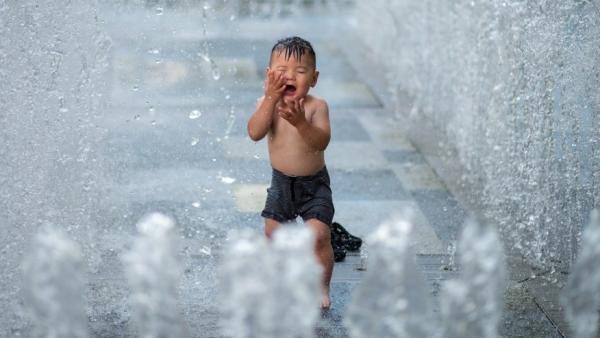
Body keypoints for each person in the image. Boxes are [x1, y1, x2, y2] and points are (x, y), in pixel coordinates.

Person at [247, 36, 334, 309]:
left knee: (319, 237)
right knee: (273, 235)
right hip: (281, 183)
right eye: (282, 71)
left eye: (300, 71)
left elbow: (320, 142)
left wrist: (300, 123)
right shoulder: (266, 103)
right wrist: (270, 99)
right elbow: (254, 133)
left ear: (314, 78)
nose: (290, 76)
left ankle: (321, 286)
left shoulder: (316, 106)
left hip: (314, 185)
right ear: (269, 75)